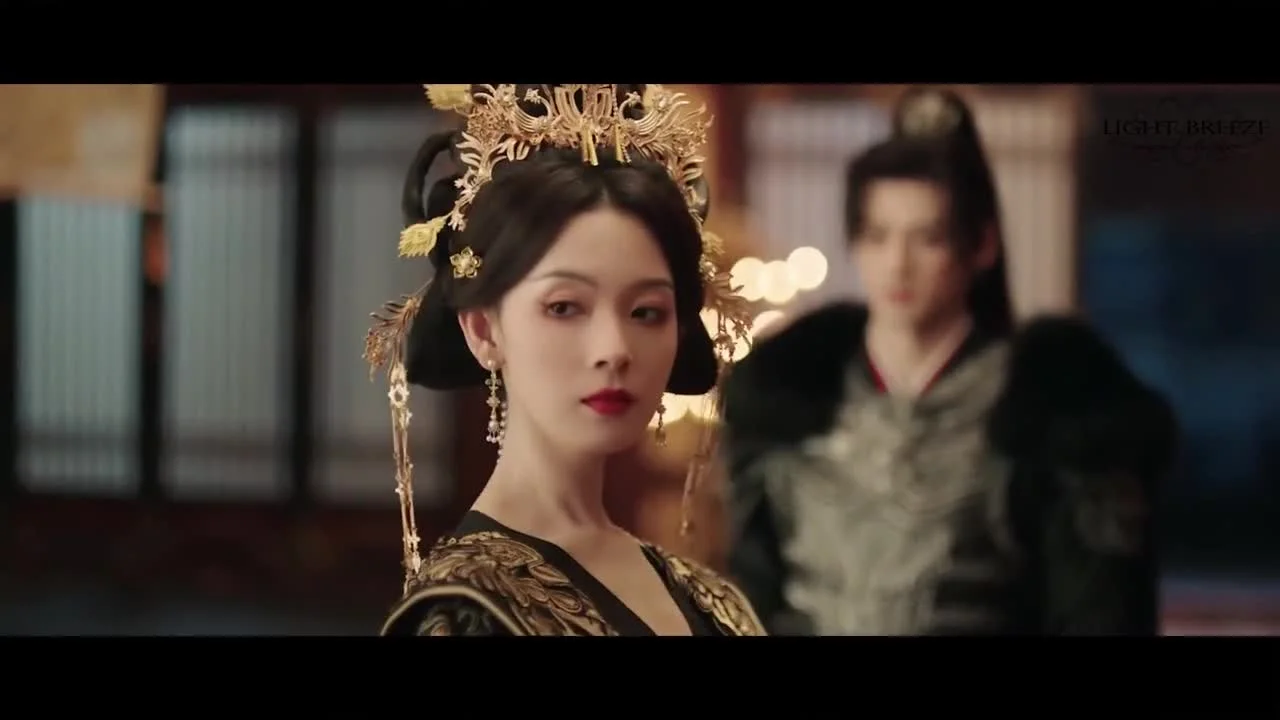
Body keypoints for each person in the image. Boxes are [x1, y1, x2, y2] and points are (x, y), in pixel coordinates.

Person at [721, 87, 1177, 635]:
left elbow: (1098, 612)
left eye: (928, 238)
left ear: (981, 246)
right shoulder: (792, 403)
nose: (898, 264)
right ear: (854, 244)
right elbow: (751, 595)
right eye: (878, 236)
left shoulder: (1043, 413)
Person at [363, 84, 765, 636]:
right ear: (483, 329)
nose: (614, 349)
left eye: (646, 312)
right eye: (564, 307)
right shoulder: (467, 613)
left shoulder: (706, 593)